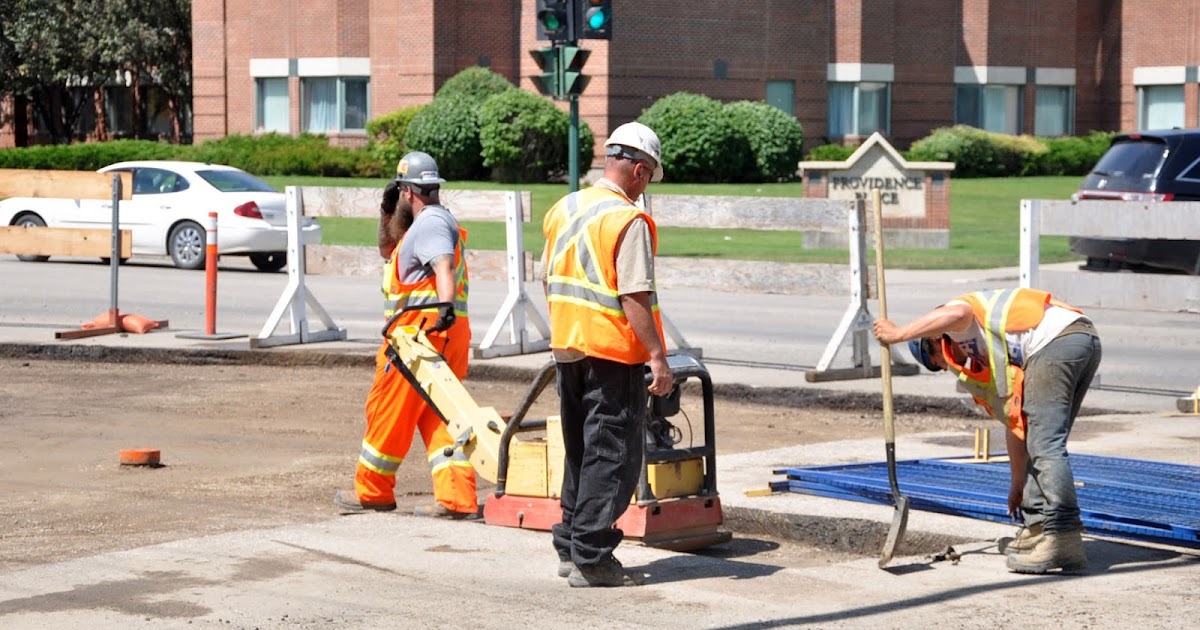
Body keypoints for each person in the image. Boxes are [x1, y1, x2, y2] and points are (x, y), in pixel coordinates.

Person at [872, 288, 1101, 574]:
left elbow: (957, 312)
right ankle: (1040, 526)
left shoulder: (958, 323)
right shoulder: (987, 348)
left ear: (935, 340)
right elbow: (1017, 425)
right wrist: (1017, 484)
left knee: (1046, 445)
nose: (944, 367)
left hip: (1056, 342)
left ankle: (1063, 537)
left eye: (936, 361)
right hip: (1079, 339)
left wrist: (898, 334)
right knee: (1039, 437)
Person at [542, 121, 674, 588]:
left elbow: (548, 279)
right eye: (648, 177)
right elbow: (634, 295)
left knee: (580, 450)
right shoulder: (627, 220)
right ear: (638, 170)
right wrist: (657, 356)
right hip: (611, 353)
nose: (644, 188)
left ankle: (570, 546)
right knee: (612, 455)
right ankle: (592, 557)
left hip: (568, 348)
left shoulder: (566, 207)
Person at [333, 151, 476, 519]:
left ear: (407, 192)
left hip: (417, 337)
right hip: (443, 335)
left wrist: (443, 307)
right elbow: (389, 250)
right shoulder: (429, 221)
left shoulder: (429, 223)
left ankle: (372, 491)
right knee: (441, 416)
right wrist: (386, 213)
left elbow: (441, 263)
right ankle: (456, 497)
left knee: (388, 411)